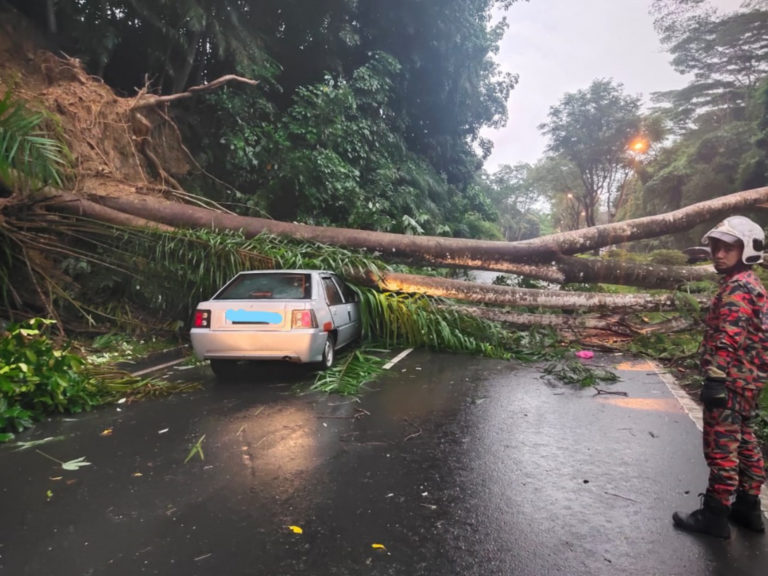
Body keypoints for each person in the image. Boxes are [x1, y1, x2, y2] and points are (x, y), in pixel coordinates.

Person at [673, 215, 768, 539]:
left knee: (721, 447)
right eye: (715, 246)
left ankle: (715, 515)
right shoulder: (749, 282)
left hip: (729, 381)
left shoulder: (739, 287)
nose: (718, 253)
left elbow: (730, 335)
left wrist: (715, 378)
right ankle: (748, 507)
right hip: (748, 381)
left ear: (747, 250)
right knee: (745, 442)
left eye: (728, 248)